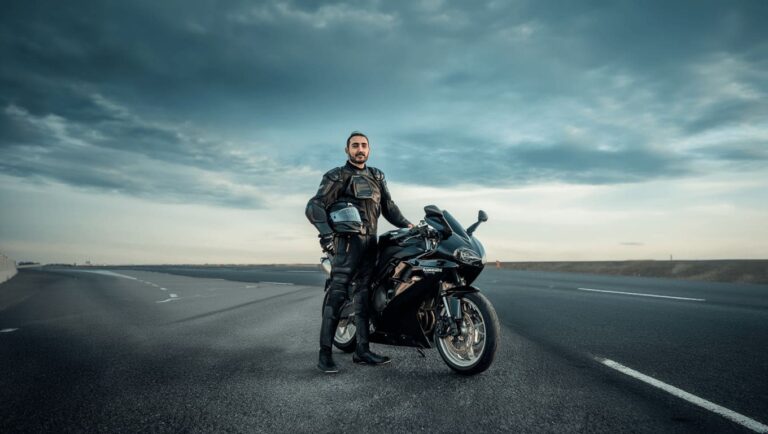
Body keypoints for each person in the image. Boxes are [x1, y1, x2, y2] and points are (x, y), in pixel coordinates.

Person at [306, 131, 413, 373]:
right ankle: (325, 355)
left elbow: (389, 208)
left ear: (369, 149)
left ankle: (362, 351)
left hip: (370, 244)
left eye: (364, 145)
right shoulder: (337, 175)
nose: (360, 149)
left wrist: (409, 225)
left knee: (363, 297)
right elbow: (314, 206)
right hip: (346, 244)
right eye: (355, 145)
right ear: (347, 150)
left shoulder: (376, 176)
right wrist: (326, 235)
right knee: (338, 295)